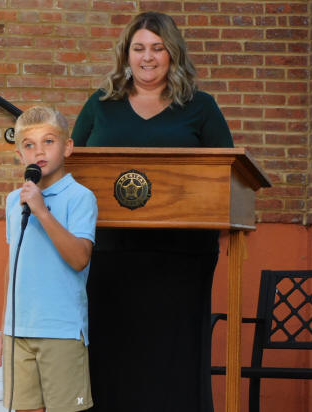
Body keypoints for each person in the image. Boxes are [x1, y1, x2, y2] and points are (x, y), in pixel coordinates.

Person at [71, 11, 234, 412]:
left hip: (181, 258)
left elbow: (226, 176)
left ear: (173, 53)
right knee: (112, 356)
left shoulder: (201, 108)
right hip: (110, 255)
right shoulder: (100, 105)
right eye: (139, 48)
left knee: (174, 362)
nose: (148, 57)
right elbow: (73, 170)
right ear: (126, 54)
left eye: (158, 48)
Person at [0, 106, 98, 412]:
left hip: (61, 330)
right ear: (20, 155)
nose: (39, 151)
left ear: (67, 147)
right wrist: (4, 327)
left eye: (49, 141)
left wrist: (41, 211)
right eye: (29, 145)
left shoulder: (80, 197)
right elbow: (13, 263)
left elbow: (79, 258)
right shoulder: (13, 201)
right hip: (18, 330)